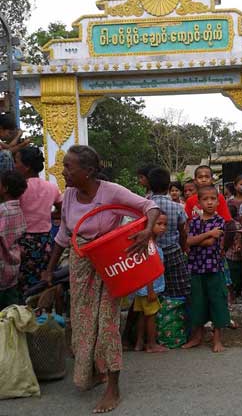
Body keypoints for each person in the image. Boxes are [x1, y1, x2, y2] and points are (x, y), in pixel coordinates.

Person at [44, 145, 159, 414]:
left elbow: (149, 207)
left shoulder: (112, 191)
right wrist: (48, 269)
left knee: (107, 322)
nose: (63, 172)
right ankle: (95, 373)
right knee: (83, 321)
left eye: (69, 167)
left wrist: (147, 232)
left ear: (89, 171)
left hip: (110, 262)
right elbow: (63, 235)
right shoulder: (69, 195)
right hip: (81, 263)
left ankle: (113, 387)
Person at [183, 185, 230, 352]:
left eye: (213, 199)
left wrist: (197, 240)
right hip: (196, 268)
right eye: (205, 199)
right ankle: (197, 337)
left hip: (213, 268)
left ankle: (217, 339)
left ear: (218, 201)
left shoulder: (220, 221)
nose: (209, 202)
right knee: (197, 303)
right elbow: (188, 242)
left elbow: (209, 243)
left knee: (217, 302)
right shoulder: (194, 221)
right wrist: (208, 234)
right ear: (199, 203)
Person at [14, 146, 63, 295]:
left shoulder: (18, 188)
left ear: (27, 167)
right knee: (41, 285)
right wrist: (47, 215)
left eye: (16, 162)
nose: (14, 165)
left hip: (22, 242)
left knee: (21, 285)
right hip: (45, 242)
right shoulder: (51, 187)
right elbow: (62, 210)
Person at [147, 167, 190, 298]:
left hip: (151, 253)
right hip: (173, 252)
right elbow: (183, 232)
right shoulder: (177, 207)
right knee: (178, 289)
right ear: (168, 186)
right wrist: (183, 248)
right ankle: (176, 316)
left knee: (154, 289)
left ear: (150, 185)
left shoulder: (144, 205)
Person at [133, 212, 168, 353]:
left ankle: (139, 343)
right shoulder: (150, 245)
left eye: (165, 224)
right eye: (159, 224)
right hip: (149, 288)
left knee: (142, 315)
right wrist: (151, 290)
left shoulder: (148, 243)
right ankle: (151, 344)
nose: (163, 227)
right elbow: (148, 269)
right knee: (151, 316)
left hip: (141, 289)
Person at [0, 170, 27, 310]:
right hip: (13, 267)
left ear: (5, 188)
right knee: (11, 311)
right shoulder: (18, 210)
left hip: (2, 267)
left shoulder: (3, 210)